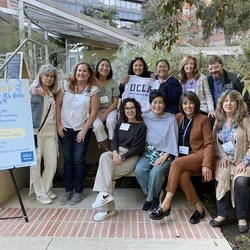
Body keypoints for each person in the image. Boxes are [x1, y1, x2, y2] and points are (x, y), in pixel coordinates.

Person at [149, 91, 214, 224]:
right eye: (185, 103)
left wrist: (207, 164)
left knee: (176, 164)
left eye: (191, 102)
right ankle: (200, 209)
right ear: (181, 105)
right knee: (183, 178)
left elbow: (209, 144)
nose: (188, 106)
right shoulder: (178, 117)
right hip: (185, 156)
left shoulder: (204, 119)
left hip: (198, 154)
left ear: (195, 104)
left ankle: (165, 204)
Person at [92, 98, 147, 221]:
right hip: (117, 153)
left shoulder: (141, 127)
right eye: (127, 108)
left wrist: (123, 156)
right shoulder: (120, 123)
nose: (130, 110)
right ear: (123, 110)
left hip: (131, 156)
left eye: (132, 107)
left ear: (136, 109)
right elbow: (114, 141)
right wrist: (115, 153)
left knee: (107, 174)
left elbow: (138, 148)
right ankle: (105, 197)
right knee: (105, 156)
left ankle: (107, 209)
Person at [56, 62, 100, 205]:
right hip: (65, 129)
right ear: (75, 72)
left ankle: (78, 192)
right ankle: (68, 190)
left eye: (84, 71)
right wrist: (58, 124)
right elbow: (57, 105)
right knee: (68, 160)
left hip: (81, 129)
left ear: (89, 74)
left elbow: (94, 112)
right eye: (79, 70)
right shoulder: (66, 86)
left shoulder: (93, 90)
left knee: (78, 159)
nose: (81, 73)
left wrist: (84, 130)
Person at [209, 90, 250, 233]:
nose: (228, 103)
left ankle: (241, 217)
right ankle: (221, 214)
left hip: (244, 161)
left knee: (241, 182)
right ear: (221, 104)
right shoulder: (218, 121)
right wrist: (220, 156)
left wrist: (244, 162)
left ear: (238, 103)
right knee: (221, 176)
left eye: (232, 100)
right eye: (225, 101)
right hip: (224, 160)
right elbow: (213, 142)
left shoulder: (245, 120)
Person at [135, 90, 178, 211]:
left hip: (165, 154)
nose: (157, 105)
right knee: (139, 170)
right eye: (154, 102)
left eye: (160, 102)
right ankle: (154, 194)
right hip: (148, 153)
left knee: (156, 172)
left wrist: (164, 157)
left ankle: (149, 198)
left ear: (164, 105)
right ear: (150, 103)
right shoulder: (144, 117)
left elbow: (173, 140)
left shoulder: (171, 119)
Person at [29, 64, 59, 205]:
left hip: (51, 131)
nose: (49, 78)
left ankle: (46, 189)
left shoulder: (51, 93)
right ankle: (40, 193)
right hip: (37, 131)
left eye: (52, 76)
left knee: (52, 162)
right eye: (46, 75)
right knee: (36, 162)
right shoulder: (34, 91)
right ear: (40, 76)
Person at [93, 58, 119, 151]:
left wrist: (106, 113)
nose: (105, 68)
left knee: (111, 122)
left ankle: (114, 148)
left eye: (107, 66)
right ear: (97, 68)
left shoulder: (113, 82)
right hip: (96, 111)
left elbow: (115, 102)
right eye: (102, 65)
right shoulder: (92, 82)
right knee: (97, 126)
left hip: (110, 109)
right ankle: (108, 150)